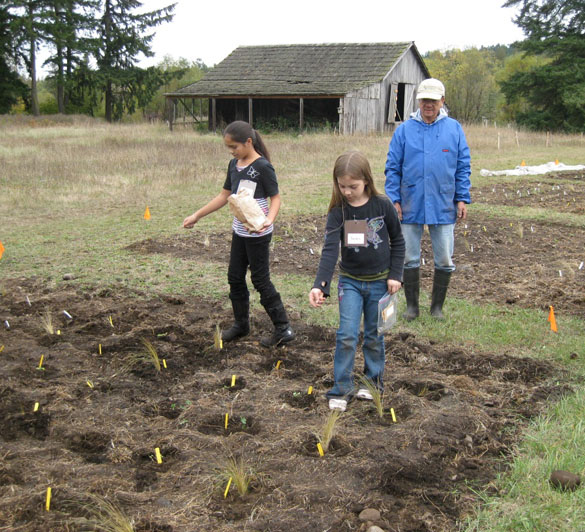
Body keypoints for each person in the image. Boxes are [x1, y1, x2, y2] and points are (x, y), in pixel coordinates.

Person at [183, 120, 295, 347]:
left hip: (258, 233)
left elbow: (276, 198)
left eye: (234, 147)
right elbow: (224, 196)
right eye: (229, 148)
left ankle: (283, 328)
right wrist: (197, 215)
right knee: (235, 277)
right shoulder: (233, 166)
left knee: (260, 279)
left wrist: (268, 220)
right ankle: (241, 325)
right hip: (239, 231)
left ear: (248, 142)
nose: (232, 152)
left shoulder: (263, 167)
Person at [309, 151, 405, 411]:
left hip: (380, 284)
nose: (347, 192)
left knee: (374, 335)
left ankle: (372, 383)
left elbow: (398, 241)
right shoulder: (338, 212)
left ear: (366, 180)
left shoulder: (382, 206)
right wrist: (320, 285)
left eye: (353, 186)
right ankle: (341, 387)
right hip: (350, 282)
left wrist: (396, 275)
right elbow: (330, 250)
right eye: (342, 186)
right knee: (347, 335)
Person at [384, 78, 471, 321]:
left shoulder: (454, 129)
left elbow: (463, 166)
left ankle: (437, 308)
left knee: (444, 257)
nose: (428, 105)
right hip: (410, 202)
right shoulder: (404, 130)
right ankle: (412, 307)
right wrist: (394, 199)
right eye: (424, 100)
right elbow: (392, 167)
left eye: (433, 100)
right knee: (409, 256)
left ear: (442, 101)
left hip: (444, 202)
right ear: (419, 101)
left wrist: (462, 198)